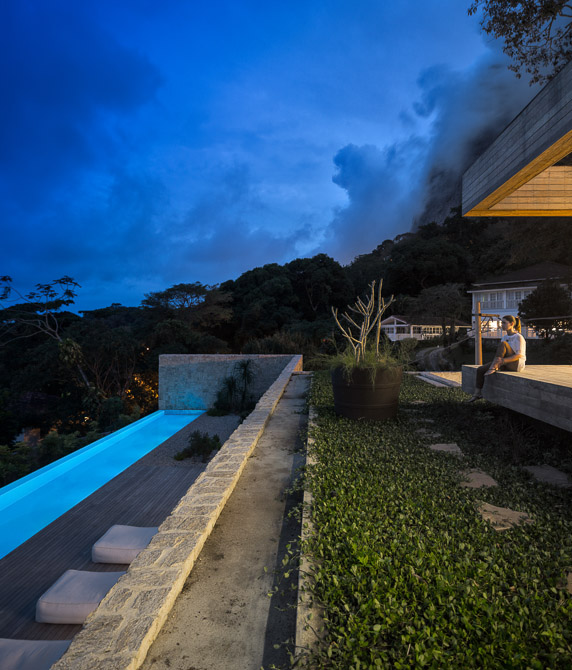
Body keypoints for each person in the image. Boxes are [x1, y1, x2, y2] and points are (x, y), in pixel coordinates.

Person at [466, 315, 526, 402]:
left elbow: (519, 355)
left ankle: (494, 367)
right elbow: (500, 354)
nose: (502, 325)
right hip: (503, 362)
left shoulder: (518, 337)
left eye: (504, 323)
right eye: (502, 323)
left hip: (516, 364)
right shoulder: (504, 337)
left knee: (503, 344)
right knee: (480, 369)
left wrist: (503, 361)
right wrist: (499, 361)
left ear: (512, 324)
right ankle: (477, 394)